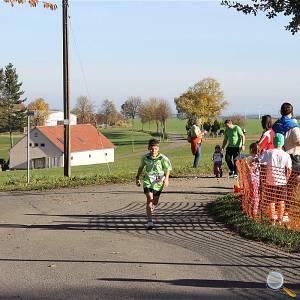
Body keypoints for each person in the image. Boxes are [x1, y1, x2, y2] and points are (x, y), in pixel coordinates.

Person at [135, 139, 172, 229]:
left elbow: (168, 169)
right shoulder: (145, 158)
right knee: (149, 198)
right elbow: (141, 167)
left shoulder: (163, 158)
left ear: (158, 149)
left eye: (155, 149)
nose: (153, 151)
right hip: (148, 180)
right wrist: (137, 178)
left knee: (155, 201)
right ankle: (150, 221)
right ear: (148, 148)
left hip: (159, 182)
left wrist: (166, 179)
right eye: (151, 149)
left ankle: (153, 206)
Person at [260, 133, 292, 224]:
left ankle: (272, 220)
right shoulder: (286, 155)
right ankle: (280, 219)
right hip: (282, 181)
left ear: (273, 142)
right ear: (282, 143)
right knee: (281, 200)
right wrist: (286, 178)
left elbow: (261, 163)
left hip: (270, 180)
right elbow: (289, 169)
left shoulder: (268, 152)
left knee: (271, 200)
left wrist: (263, 176)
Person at [245, 143, 260, 218]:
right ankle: (251, 211)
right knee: (253, 195)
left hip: (253, 179)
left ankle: (254, 212)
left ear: (251, 150)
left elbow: (250, 169)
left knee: (254, 196)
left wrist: (245, 163)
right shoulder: (258, 157)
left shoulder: (254, 159)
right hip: (256, 179)